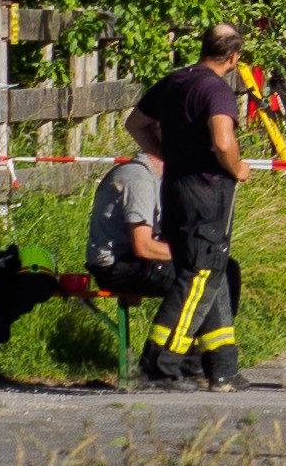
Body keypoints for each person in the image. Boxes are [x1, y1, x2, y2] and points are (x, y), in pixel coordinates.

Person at [138, 25, 250, 389]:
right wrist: (237, 167)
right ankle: (159, 362)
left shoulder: (174, 81)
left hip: (175, 189)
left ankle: (223, 366)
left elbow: (135, 123)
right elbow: (222, 140)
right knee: (199, 275)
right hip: (207, 191)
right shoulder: (216, 90)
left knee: (209, 272)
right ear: (233, 58)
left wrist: (167, 153)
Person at [84, 105, 176, 339]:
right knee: (198, 275)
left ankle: (206, 356)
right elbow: (143, 245)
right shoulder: (139, 180)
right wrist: (188, 254)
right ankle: (165, 354)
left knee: (223, 270)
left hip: (131, 261)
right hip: (115, 266)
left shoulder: (156, 177)